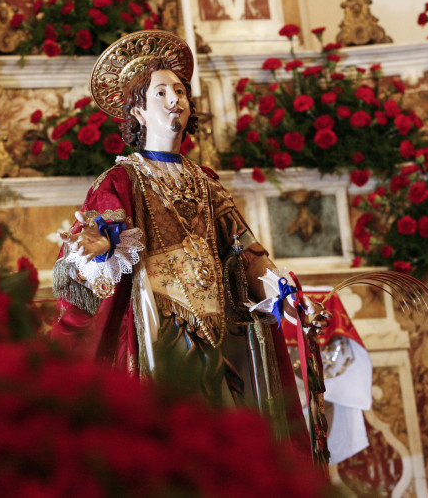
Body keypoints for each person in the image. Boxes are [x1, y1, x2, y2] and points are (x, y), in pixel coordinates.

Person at [52, 30, 330, 436]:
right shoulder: (120, 181)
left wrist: (286, 298)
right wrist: (98, 251)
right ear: (139, 112)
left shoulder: (206, 182)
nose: (175, 99)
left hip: (219, 335)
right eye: (161, 92)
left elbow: (247, 253)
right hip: (158, 334)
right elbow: (90, 252)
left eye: (180, 91)